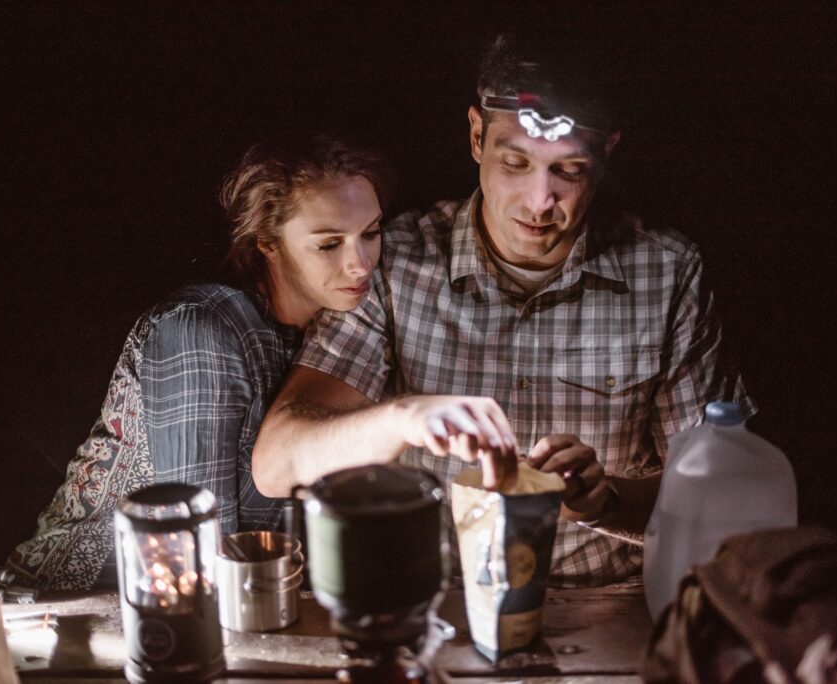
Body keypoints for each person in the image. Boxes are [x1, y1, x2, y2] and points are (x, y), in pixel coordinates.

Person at [253, 33, 754, 588]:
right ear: (475, 136)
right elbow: (278, 462)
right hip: (441, 602)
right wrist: (405, 417)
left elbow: (718, 493)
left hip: (605, 607)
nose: (540, 201)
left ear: (607, 152)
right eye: (515, 162)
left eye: (569, 170)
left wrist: (603, 499)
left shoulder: (667, 274)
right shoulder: (395, 263)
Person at [0, 137, 387, 592]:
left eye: (371, 235)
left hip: (204, 617)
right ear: (268, 243)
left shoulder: (332, 343)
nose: (360, 265)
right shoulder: (204, 331)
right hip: (72, 609)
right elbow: (195, 549)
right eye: (328, 244)